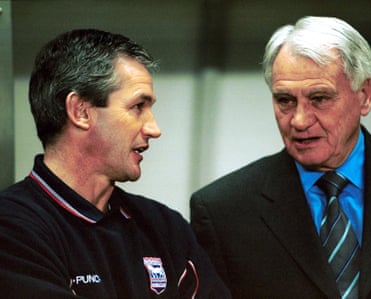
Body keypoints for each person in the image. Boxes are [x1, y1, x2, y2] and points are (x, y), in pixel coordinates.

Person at [190, 16, 371, 298]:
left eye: (320, 99)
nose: (299, 121)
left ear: (364, 95)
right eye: (285, 100)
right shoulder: (223, 213)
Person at [0, 29, 231, 299]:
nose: (154, 128)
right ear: (81, 111)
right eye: (137, 107)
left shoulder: (165, 227)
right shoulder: (12, 229)